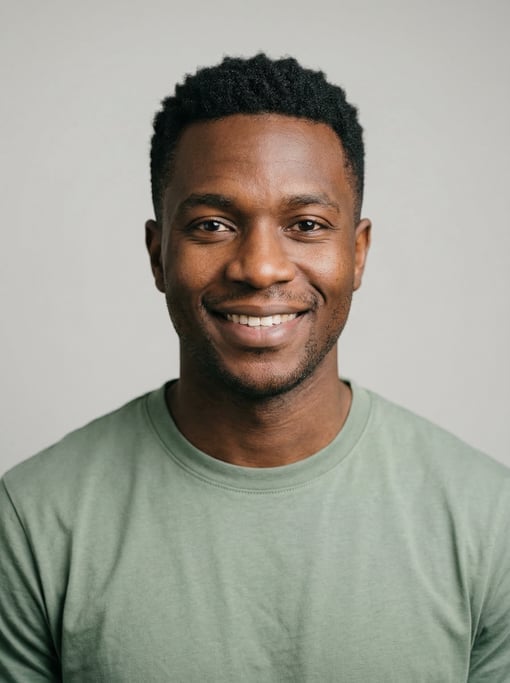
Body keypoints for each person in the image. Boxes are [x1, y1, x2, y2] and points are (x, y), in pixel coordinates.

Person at [0, 54, 509, 682]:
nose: (261, 266)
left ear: (357, 253)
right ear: (159, 256)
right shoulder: (33, 521)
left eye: (307, 225)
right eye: (213, 224)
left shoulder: (490, 521)